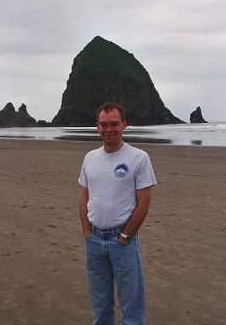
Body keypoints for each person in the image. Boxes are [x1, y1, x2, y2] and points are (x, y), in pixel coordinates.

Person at [78, 102, 157, 325]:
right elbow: (85, 196)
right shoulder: (90, 158)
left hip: (122, 242)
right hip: (93, 241)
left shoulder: (139, 157)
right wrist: (86, 231)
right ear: (97, 127)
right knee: (100, 304)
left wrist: (125, 236)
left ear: (124, 125)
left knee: (132, 305)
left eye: (114, 124)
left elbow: (144, 202)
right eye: (104, 125)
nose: (109, 129)